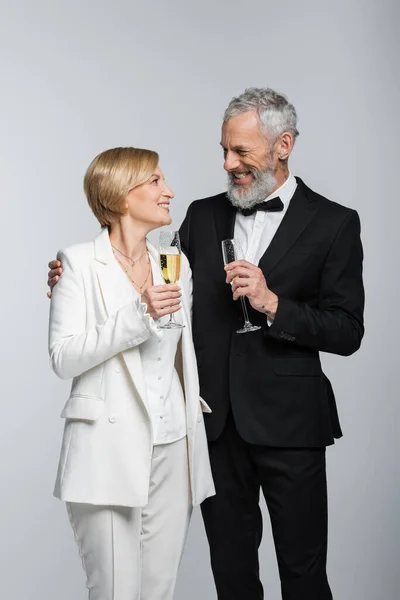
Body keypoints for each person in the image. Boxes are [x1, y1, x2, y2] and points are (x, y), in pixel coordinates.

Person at [48, 88, 364, 600]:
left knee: (304, 571)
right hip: (213, 425)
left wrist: (273, 303)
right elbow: (144, 270)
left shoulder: (335, 223)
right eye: (224, 150)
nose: (228, 163)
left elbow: (348, 331)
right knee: (232, 573)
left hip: (291, 422)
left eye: (241, 152)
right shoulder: (201, 215)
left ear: (283, 145)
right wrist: (72, 271)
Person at [48, 146, 215, 600]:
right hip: (106, 449)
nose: (170, 191)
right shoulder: (78, 263)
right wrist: (136, 317)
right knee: (115, 592)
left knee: (159, 591)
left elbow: (182, 354)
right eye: (156, 181)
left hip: (172, 446)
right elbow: (63, 357)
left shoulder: (174, 266)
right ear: (122, 195)